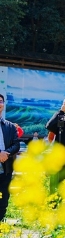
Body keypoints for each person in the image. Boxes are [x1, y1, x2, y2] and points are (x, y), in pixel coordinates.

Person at [0, 93, 19, 221]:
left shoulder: (10, 126)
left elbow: (16, 144)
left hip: (5, 170)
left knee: (3, 201)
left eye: (0, 101)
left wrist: (6, 153)